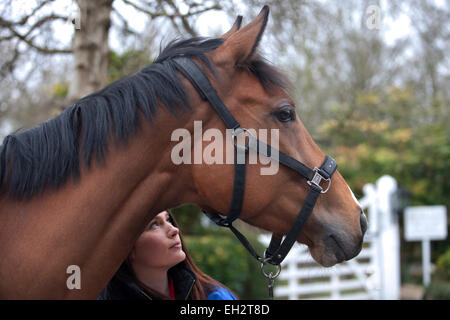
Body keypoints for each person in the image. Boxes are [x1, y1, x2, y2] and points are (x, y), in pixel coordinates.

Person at [98, 210, 237, 300]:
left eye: (168, 220)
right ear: (127, 249)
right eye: (154, 225)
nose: (174, 230)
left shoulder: (215, 296)